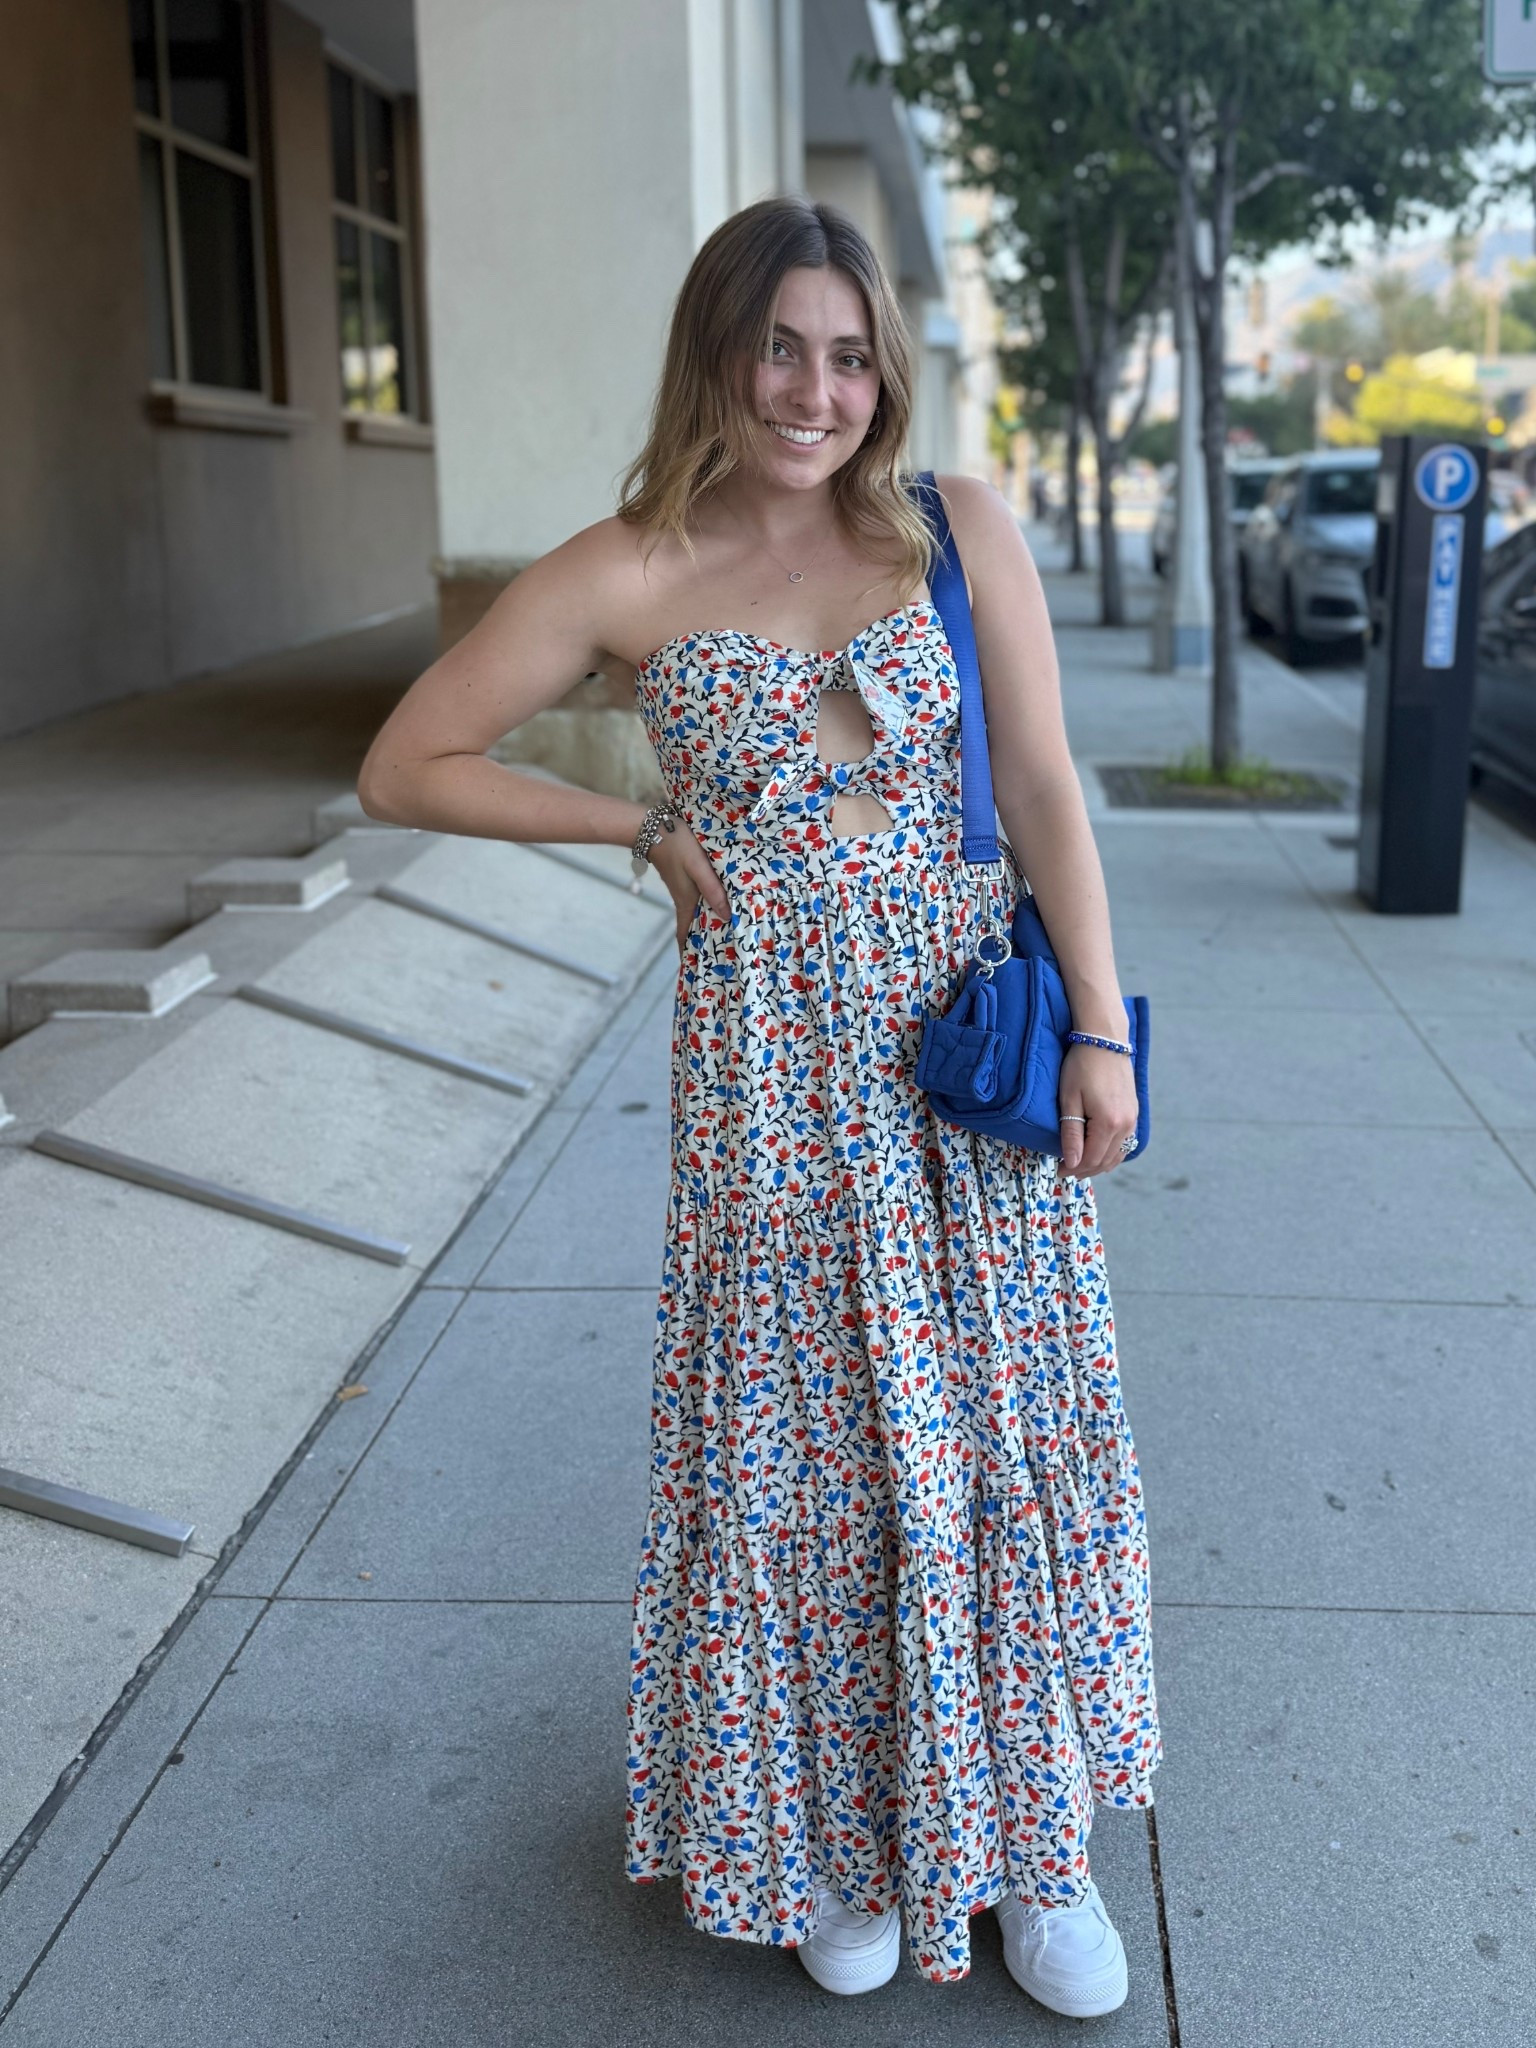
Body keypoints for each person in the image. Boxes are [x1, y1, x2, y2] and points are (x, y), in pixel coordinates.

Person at [356, 194, 1160, 2018]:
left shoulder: (960, 529)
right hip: (770, 1083)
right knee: (804, 1462)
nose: (817, 391)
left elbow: (1038, 783)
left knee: (996, 1442)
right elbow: (408, 761)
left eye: (852, 355)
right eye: (782, 347)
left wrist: (1098, 1032)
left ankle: (1033, 1855)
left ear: (885, 370)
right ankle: (831, 1840)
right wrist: (638, 827)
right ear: (720, 351)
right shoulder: (627, 565)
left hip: (963, 1062)